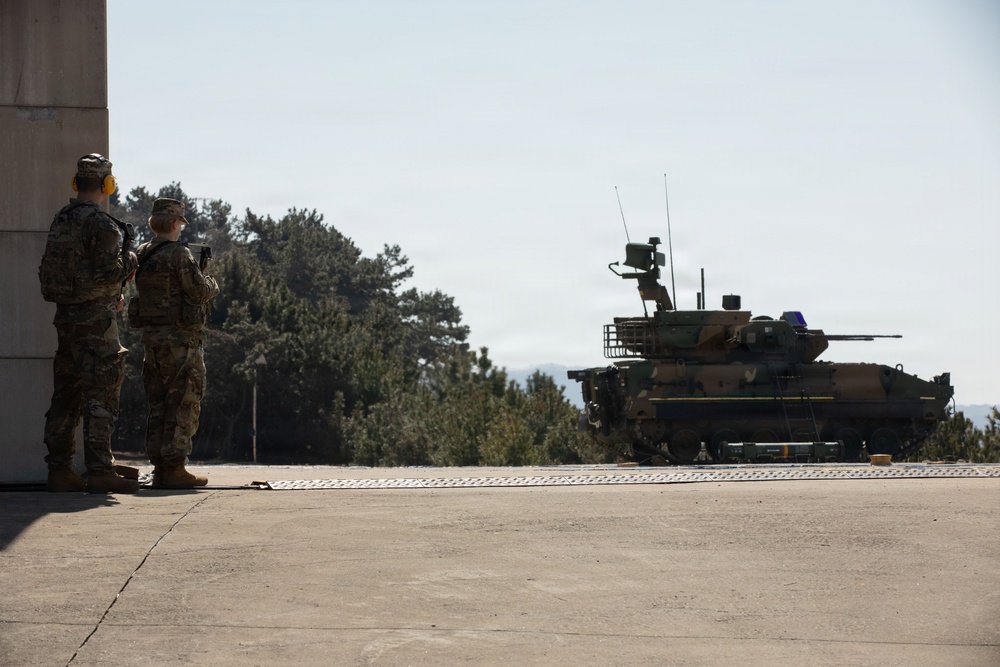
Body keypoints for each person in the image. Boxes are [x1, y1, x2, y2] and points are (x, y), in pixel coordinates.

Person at [39, 153, 140, 493]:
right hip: (95, 324)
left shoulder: (61, 220)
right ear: (107, 185)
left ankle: (59, 470)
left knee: (66, 395)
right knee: (101, 396)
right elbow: (108, 271)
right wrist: (131, 258)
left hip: (66, 319)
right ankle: (99, 470)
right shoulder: (102, 224)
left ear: (75, 183)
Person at [129, 198, 219, 488]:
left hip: (152, 340)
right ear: (173, 223)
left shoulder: (143, 252)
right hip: (180, 341)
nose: (181, 228)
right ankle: (175, 467)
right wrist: (211, 283)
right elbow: (197, 290)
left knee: (158, 403)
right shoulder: (180, 255)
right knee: (184, 400)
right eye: (180, 223)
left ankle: (160, 466)